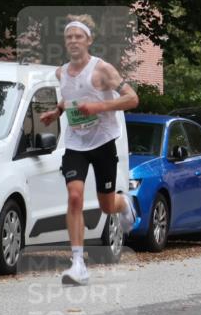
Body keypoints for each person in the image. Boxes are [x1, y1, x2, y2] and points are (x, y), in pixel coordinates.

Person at [38, 15, 139, 286]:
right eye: (69, 37)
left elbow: (132, 98)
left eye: (78, 36)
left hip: (104, 141)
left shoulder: (102, 70)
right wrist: (56, 111)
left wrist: (99, 107)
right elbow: (70, 95)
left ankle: (124, 203)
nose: (73, 40)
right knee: (74, 196)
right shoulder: (61, 72)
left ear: (88, 41)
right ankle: (78, 264)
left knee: (107, 205)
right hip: (75, 143)